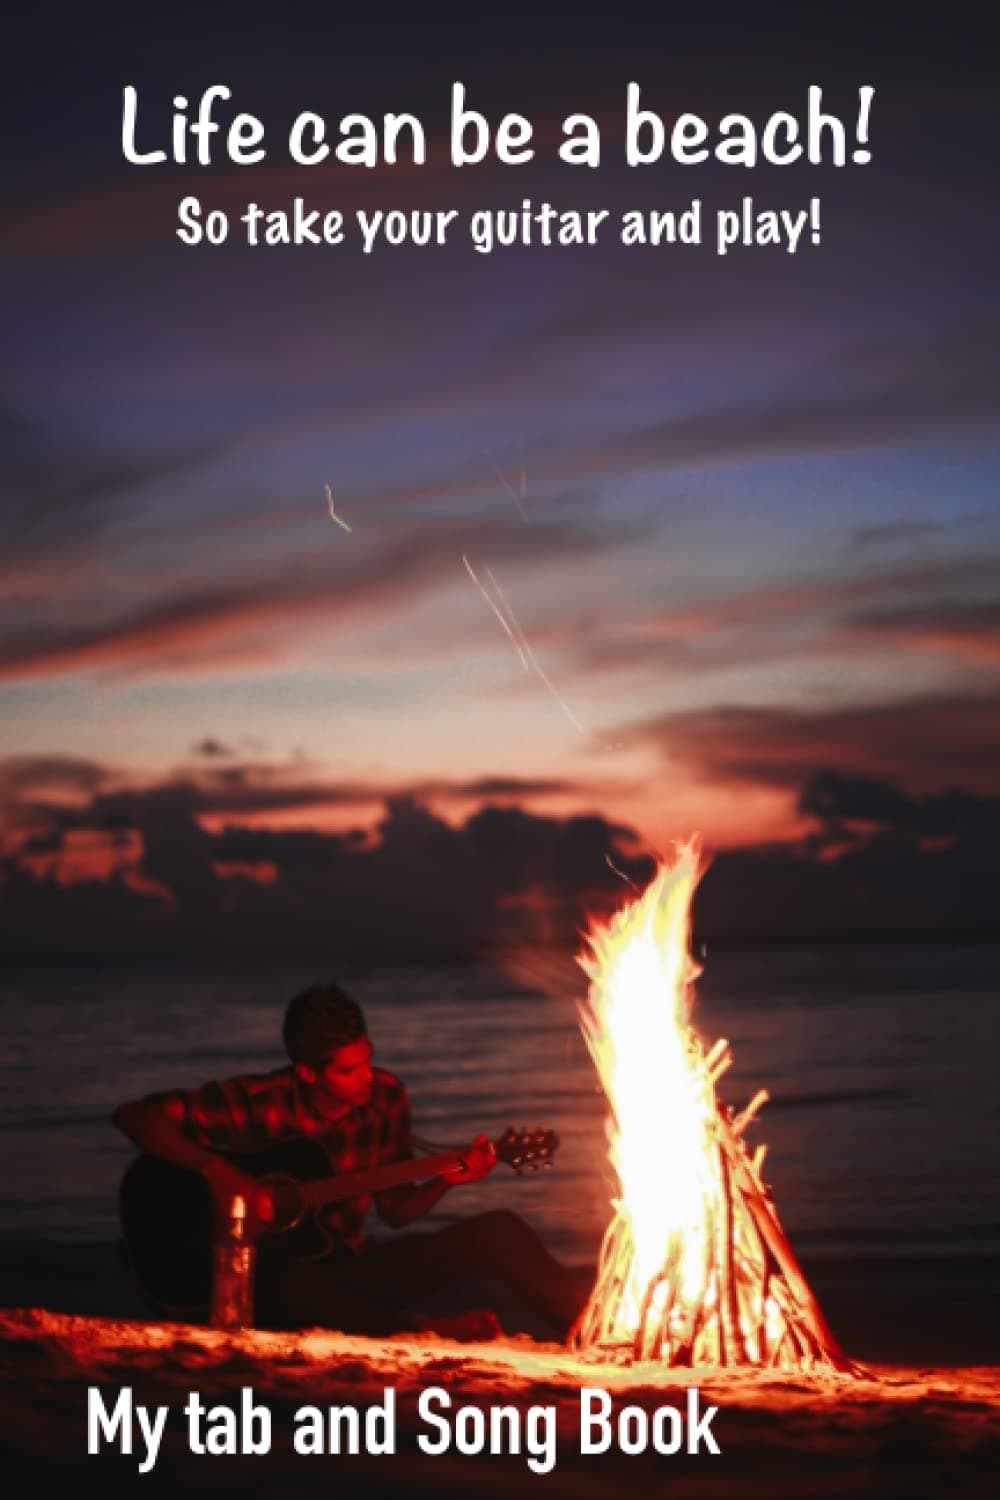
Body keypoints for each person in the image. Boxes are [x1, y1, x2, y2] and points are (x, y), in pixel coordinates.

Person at [112, 982, 587, 1342]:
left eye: (367, 1060)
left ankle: (590, 1328)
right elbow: (134, 1116)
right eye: (348, 1071)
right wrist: (218, 1174)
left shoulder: (385, 1097)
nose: (366, 1078)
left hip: (351, 1271)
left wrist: (448, 1180)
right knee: (279, 1282)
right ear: (306, 1071)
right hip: (269, 1283)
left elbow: (396, 1212)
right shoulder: (257, 1102)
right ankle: (419, 1329)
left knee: (499, 1230)